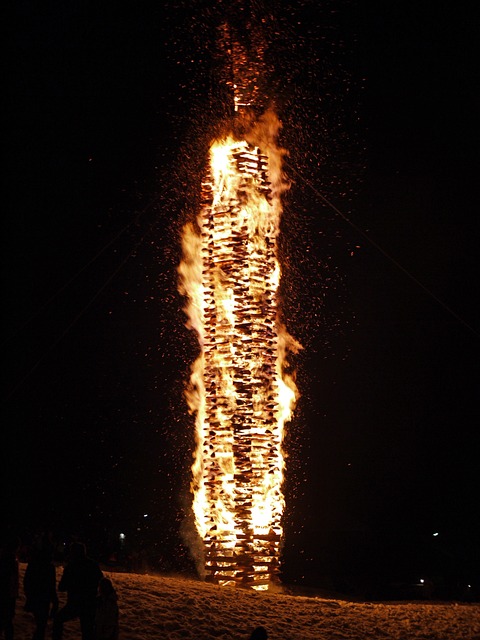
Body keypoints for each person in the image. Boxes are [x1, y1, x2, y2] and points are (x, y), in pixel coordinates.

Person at [52, 542, 103, 640]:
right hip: (89, 603)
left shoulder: (71, 566)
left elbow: (62, 587)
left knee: (58, 620)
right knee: (87, 631)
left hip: (74, 603)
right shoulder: (92, 565)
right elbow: (101, 581)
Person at [24, 544, 58, 640]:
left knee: (40, 624)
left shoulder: (33, 565)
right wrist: (55, 601)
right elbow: (51, 586)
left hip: (36, 597)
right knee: (41, 625)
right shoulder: (49, 568)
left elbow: (26, 582)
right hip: (44, 599)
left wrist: (29, 596)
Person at [0, 535, 20, 640]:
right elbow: (10, 579)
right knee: (7, 621)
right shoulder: (10, 559)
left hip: (6, 593)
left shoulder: (7, 558)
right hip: (6, 594)